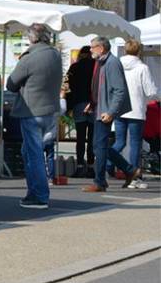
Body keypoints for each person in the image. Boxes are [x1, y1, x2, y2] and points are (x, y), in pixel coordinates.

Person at [6, 23, 63, 208]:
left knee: (34, 153)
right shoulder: (55, 54)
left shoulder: (29, 58)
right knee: (30, 152)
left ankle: (39, 195)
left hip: (32, 110)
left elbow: (11, 84)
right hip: (50, 109)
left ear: (32, 38)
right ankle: (34, 192)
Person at [84, 35, 141, 191]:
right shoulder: (101, 62)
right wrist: (92, 103)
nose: (90, 50)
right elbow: (100, 88)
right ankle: (130, 170)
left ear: (101, 48)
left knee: (100, 147)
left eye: (92, 47)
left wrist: (111, 111)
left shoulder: (112, 63)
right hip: (99, 108)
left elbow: (119, 90)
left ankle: (100, 182)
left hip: (105, 111)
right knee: (98, 146)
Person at [115, 39, 156, 184]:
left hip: (119, 108)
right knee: (135, 143)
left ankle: (108, 163)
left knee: (119, 142)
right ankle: (133, 173)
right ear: (139, 51)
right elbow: (150, 91)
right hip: (136, 109)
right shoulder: (142, 68)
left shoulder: (117, 65)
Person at [64, 46, 95, 177]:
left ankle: (80, 165)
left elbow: (69, 87)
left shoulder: (74, 67)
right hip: (94, 104)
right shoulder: (96, 67)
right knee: (92, 138)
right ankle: (91, 166)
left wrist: (68, 106)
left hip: (78, 104)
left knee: (81, 138)